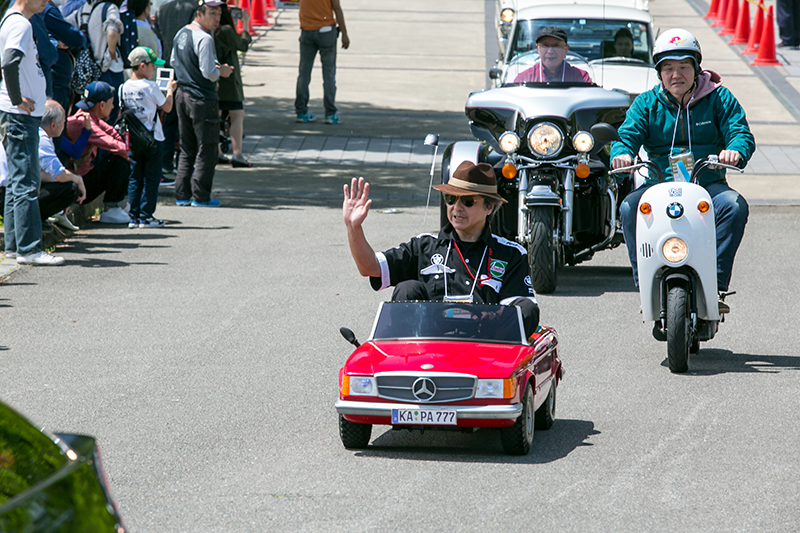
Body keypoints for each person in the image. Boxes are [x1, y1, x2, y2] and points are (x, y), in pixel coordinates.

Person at [610, 28, 755, 313]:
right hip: (658, 185)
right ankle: (646, 285)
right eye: (668, 68)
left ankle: (716, 285)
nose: (676, 74)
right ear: (659, 73)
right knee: (629, 207)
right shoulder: (647, 103)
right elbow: (625, 136)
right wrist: (622, 154)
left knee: (734, 206)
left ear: (696, 68)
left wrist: (735, 150)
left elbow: (740, 133)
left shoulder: (719, 98)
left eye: (683, 67)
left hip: (708, 182)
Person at [343, 161, 540, 337]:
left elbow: (518, 314)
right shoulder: (424, 245)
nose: (457, 207)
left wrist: (486, 320)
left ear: (489, 208)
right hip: (427, 347)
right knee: (407, 288)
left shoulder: (511, 254)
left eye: (468, 201)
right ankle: (403, 362)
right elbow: (369, 268)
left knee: (527, 308)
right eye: (451, 199)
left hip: (486, 347)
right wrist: (354, 227)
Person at [0, 0, 66, 266]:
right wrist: (17, 99)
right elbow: (9, 61)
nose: (46, 1)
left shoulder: (10, 19)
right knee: (27, 181)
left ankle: (16, 247)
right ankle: (28, 249)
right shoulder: (20, 23)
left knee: (19, 181)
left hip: (18, 114)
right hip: (19, 115)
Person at [171, 0, 232, 207]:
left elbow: (173, 61)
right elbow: (208, 73)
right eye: (213, 13)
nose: (217, 18)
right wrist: (221, 71)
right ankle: (200, 196)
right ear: (199, 13)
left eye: (219, 14)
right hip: (202, 98)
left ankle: (181, 195)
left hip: (182, 95)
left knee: (186, 147)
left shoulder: (181, 33)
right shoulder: (204, 38)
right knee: (208, 147)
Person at [121, 46, 176, 228]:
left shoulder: (123, 87)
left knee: (135, 177)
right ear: (143, 66)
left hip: (134, 139)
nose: (154, 70)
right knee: (151, 178)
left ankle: (133, 216)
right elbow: (166, 107)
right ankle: (146, 216)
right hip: (153, 138)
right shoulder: (151, 86)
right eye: (153, 66)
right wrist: (170, 91)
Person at [65, 80, 131, 223]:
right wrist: (129, 152)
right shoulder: (82, 121)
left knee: (120, 157)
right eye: (111, 102)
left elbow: (113, 133)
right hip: (77, 186)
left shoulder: (90, 117)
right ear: (101, 105)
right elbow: (112, 144)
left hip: (83, 181)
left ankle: (120, 204)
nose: (113, 107)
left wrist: (126, 147)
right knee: (118, 162)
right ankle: (111, 208)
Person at [153, 0, 199, 176]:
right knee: (185, 118)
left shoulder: (163, 10)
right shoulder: (193, 9)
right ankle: (183, 161)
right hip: (186, 68)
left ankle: (166, 160)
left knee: (168, 114)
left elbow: (158, 34)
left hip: (166, 65)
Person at [294, 0, 349, 124]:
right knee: (329, 74)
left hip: (307, 30)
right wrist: (344, 33)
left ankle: (301, 111)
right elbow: (337, 8)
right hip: (326, 31)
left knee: (304, 73)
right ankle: (330, 113)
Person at [215, 4, 251, 167]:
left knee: (216, 116)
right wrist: (245, 23)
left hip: (213, 79)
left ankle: (218, 153)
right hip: (228, 81)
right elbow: (242, 45)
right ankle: (237, 154)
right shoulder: (226, 30)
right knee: (237, 115)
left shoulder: (209, 31)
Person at [514, 26, 592, 84]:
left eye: (556, 46)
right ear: (538, 49)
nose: (550, 51)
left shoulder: (581, 77)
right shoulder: (524, 78)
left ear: (566, 50)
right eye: (545, 46)